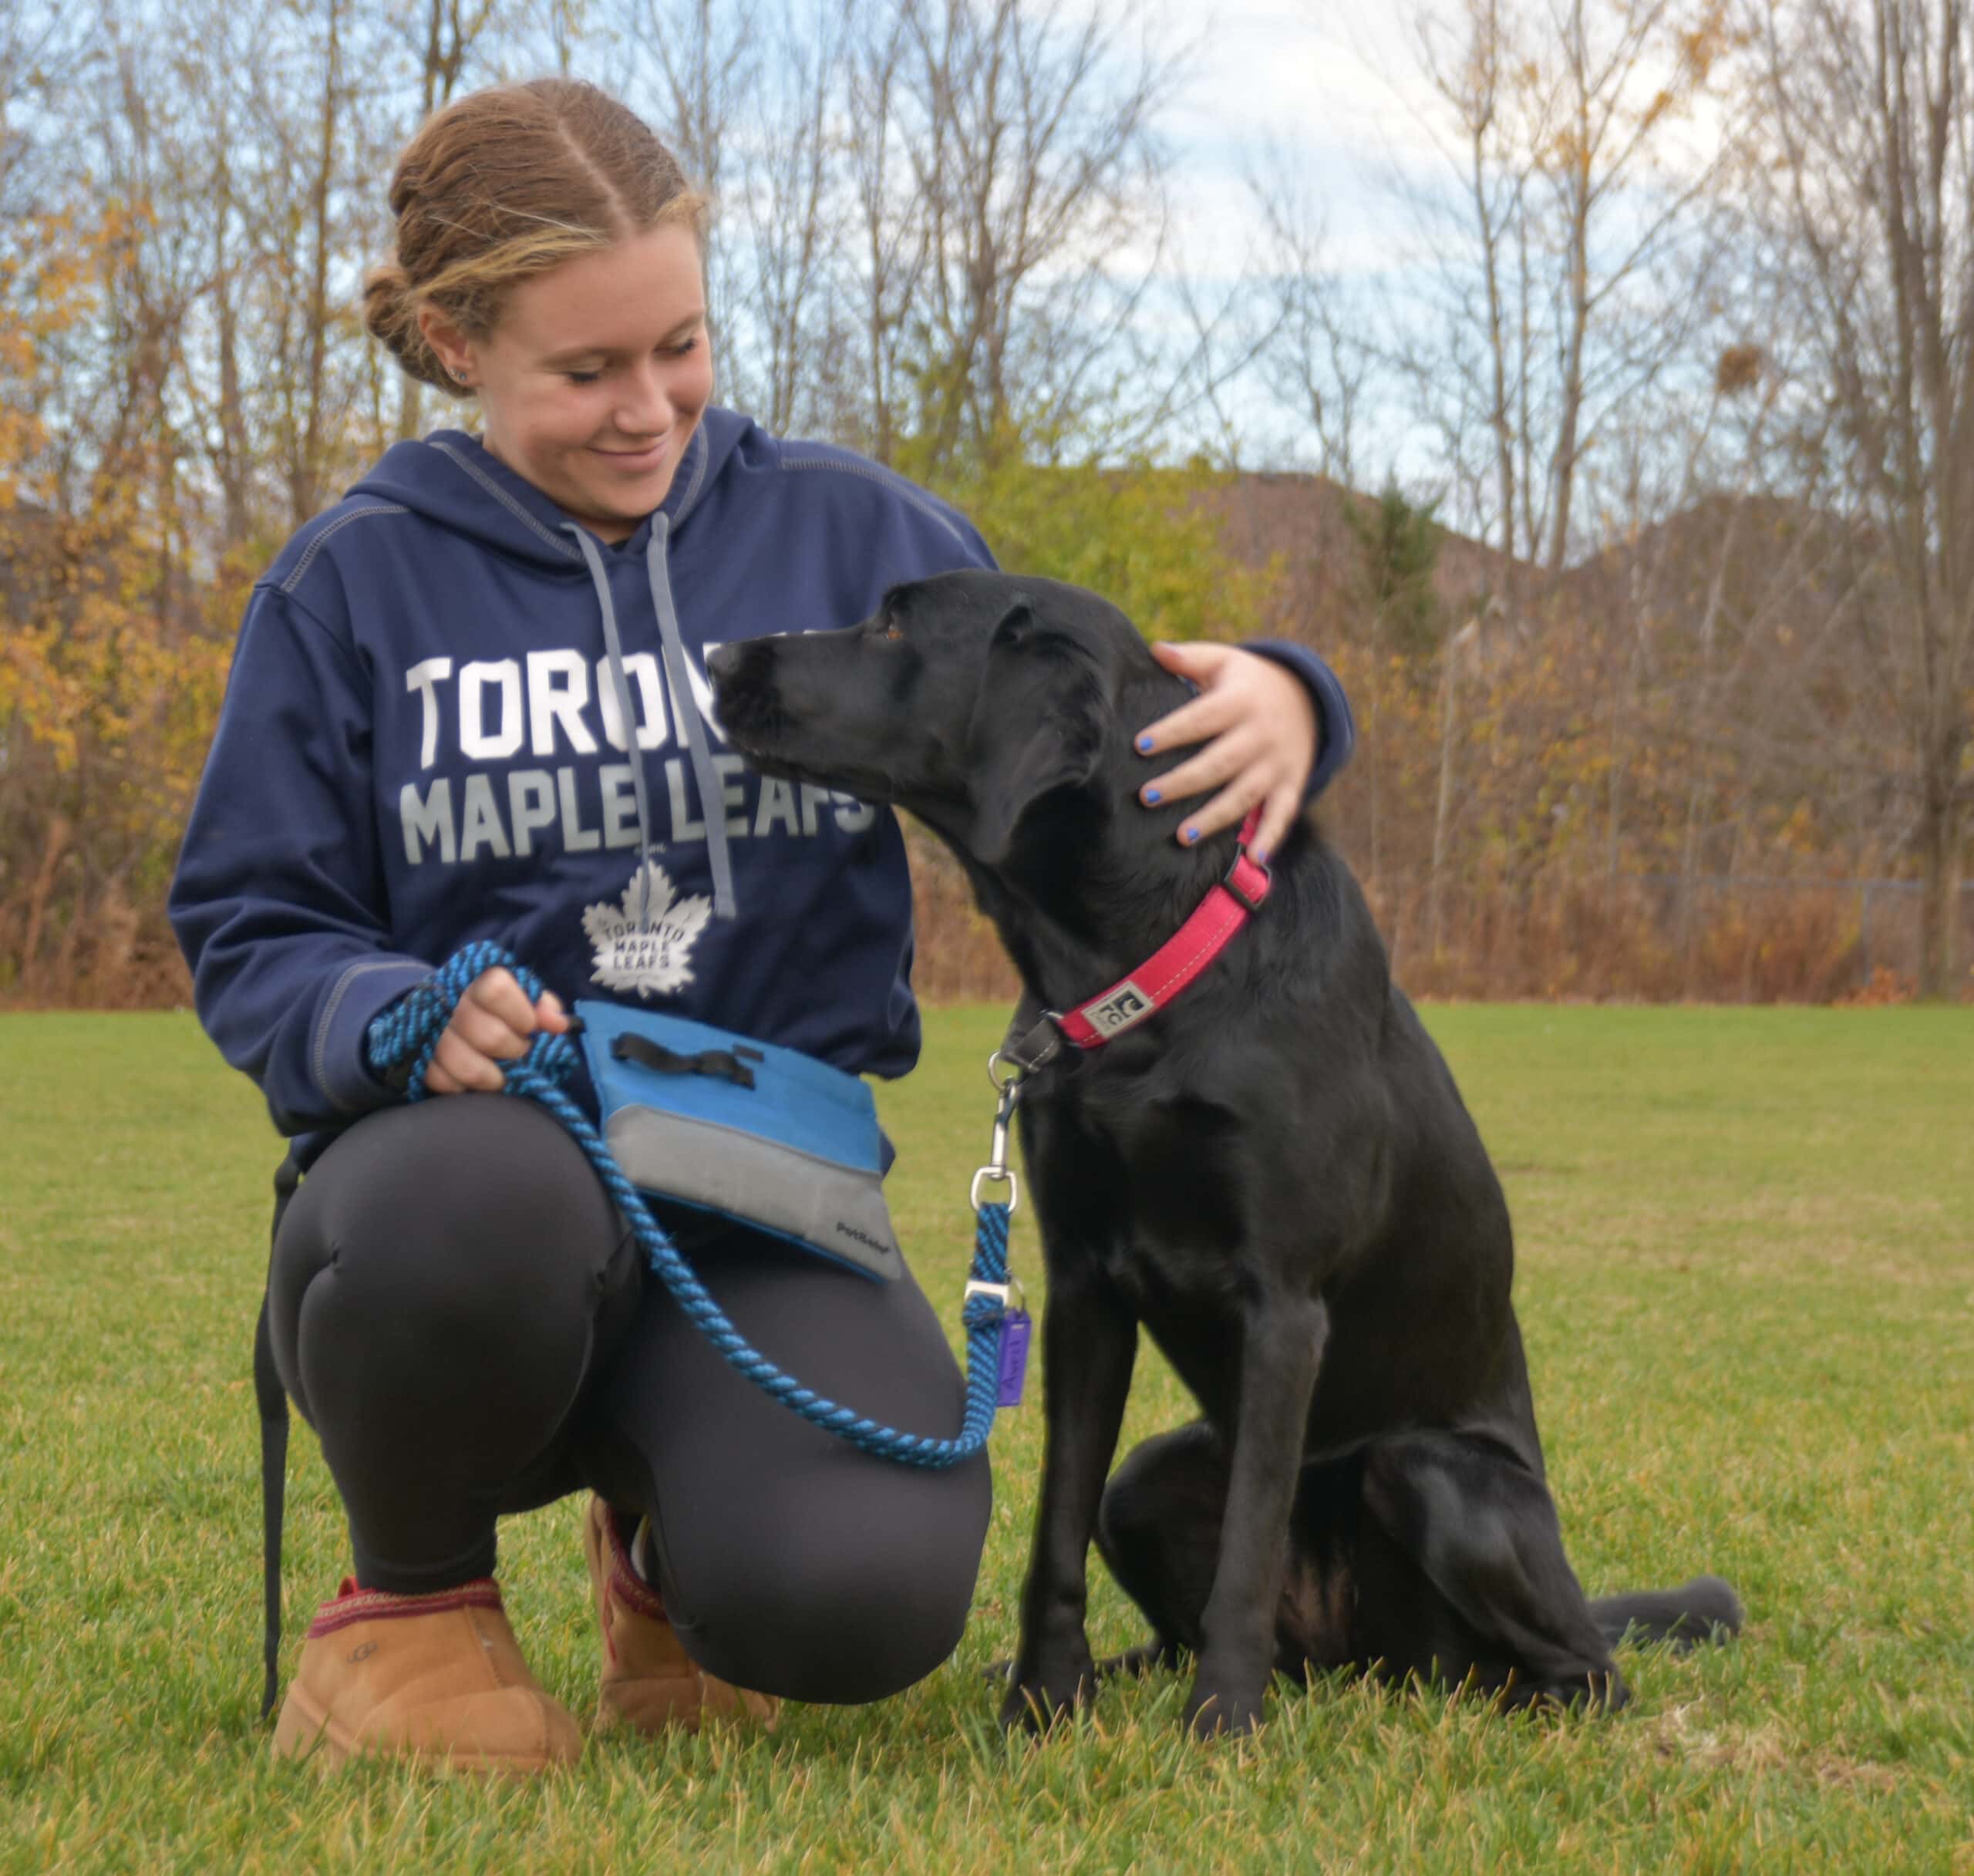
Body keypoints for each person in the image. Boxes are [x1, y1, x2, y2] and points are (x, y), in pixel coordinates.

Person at [169, 76, 1356, 1775]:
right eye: (586, 370)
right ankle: (407, 1616)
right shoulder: (353, 584)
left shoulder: (849, 534)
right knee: (478, 1197)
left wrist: (1293, 702)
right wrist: (384, 1008)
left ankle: (672, 1552)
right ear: (451, 341)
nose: (648, 406)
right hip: (456, 1210)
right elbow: (246, 917)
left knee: (862, 1595)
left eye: (681, 345)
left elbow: (1084, 716)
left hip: (759, 1208)